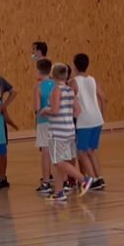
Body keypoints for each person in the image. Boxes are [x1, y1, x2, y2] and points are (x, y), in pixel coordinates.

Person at [39, 63, 92, 202]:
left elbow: (54, 110)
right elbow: (78, 111)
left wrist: (45, 110)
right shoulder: (70, 90)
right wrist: (67, 115)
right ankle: (59, 192)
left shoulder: (57, 90)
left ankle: (84, 180)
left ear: (53, 75)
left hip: (58, 132)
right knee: (61, 162)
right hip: (69, 130)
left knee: (58, 162)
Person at [73, 53, 107, 191]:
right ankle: (99, 178)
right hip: (97, 119)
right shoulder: (92, 80)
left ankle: (92, 180)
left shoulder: (74, 81)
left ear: (75, 66)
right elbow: (104, 99)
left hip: (84, 120)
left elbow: (70, 99)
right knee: (91, 151)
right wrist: (102, 116)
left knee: (81, 152)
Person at [34, 57, 55, 194]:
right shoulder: (56, 84)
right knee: (58, 151)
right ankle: (64, 181)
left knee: (45, 152)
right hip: (56, 120)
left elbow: (37, 108)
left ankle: (46, 181)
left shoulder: (38, 87)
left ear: (38, 71)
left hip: (43, 121)